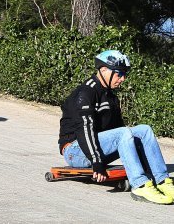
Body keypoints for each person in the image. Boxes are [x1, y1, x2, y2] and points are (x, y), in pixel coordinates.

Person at [58, 49, 174, 205]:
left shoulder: (110, 96)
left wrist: (143, 159)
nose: (123, 79)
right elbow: (84, 130)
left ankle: (162, 181)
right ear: (104, 70)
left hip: (97, 147)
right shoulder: (85, 92)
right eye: (119, 74)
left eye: (124, 74)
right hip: (75, 150)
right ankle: (139, 185)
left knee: (144, 130)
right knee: (123, 132)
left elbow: (119, 131)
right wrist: (96, 162)